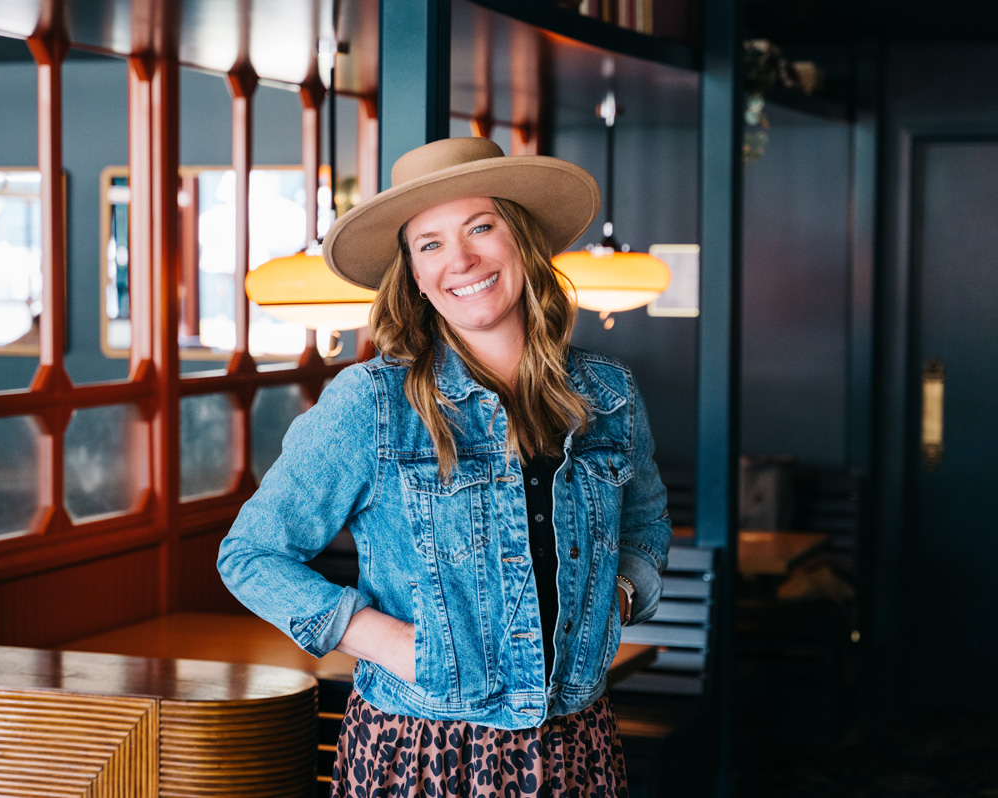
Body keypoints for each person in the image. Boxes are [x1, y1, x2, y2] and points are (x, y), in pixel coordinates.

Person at [218, 137, 672, 797]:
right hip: (424, 749)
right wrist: (384, 640)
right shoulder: (372, 403)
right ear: (416, 274)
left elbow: (646, 521)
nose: (460, 259)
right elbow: (250, 555)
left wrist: (618, 597)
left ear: (522, 241)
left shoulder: (608, 395)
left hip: (576, 740)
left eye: (480, 227)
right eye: (430, 244)